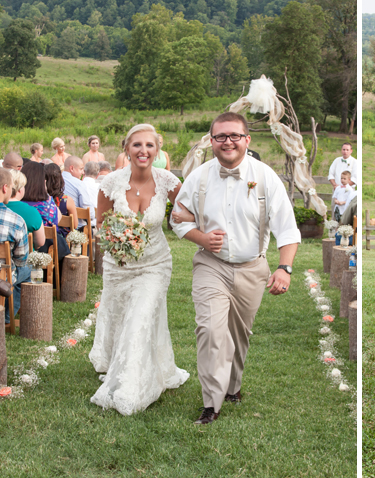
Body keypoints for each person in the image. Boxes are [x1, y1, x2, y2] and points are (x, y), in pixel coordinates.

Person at [172, 112, 301, 425]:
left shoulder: (265, 177)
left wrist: (284, 268)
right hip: (210, 265)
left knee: (238, 334)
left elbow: (287, 228)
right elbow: (178, 217)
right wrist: (201, 237)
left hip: (252, 267)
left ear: (247, 140)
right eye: (220, 137)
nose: (227, 142)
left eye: (234, 136)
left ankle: (232, 387)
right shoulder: (199, 177)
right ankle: (211, 403)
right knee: (210, 330)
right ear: (212, 141)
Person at [88, 124, 189, 415]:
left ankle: (130, 389)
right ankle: (122, 362)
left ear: (157, 150)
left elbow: (185, 216)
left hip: (156, 264)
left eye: (149, 146)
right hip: (119, 265)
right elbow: (101, 226)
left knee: (140, 316)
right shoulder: (110, 184)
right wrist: (118, 239)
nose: (143, 151)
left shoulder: (169, 181)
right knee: (122, 316)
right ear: (126, 149)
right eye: (137, 145)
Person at [21, 161, 71, 272]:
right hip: (46, 251)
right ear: (42, 182)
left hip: (22, 251)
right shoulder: (48, 204)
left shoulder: (18, 203)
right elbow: (58, 218)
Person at [2, 169, 32, 323]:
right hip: (3, 275)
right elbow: (21, 259)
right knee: (28, 270)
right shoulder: (16, 220)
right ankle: (7, 318)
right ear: (5, 188)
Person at [45, 163, 79, 238]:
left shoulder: (41, 200)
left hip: (45, 236)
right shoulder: (67, 200)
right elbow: (75, 224)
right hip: (63, 239)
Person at [62, 156, 95, 228]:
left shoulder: (55, 181)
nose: (83, 172)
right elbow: (90, 214)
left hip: (58, 226)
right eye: (81, 169)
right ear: (72, 168)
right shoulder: (79, 184)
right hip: (77, 228)